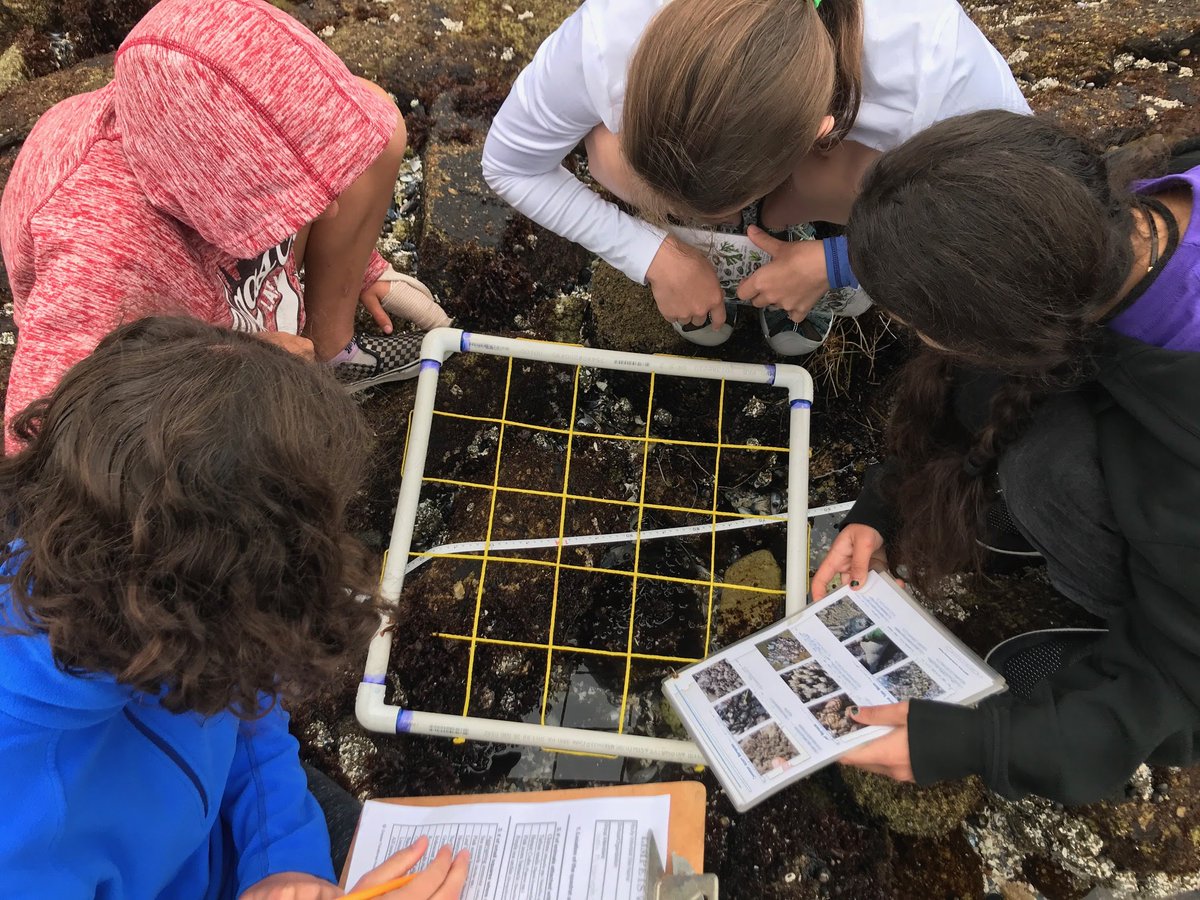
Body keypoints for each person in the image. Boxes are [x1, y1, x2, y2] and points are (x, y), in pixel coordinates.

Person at [0, 317, 469, 898]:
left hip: (243, 820)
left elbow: (246, 706)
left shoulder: (150, 597)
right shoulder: (21, 840)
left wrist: (284, 858)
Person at [811, 111, 1200, 804]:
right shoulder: (1091, 221)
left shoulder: (1180, 444)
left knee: (1048, 471)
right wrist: (883, 507)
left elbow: (1184, 679)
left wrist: (977, 742)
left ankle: (1108, 616)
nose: (908, 330)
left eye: (916, 321)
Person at [0, 0, 450, 453]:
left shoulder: (189, 120)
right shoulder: (101, 254)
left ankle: (330, 353)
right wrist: (235, 365)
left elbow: (321, 151)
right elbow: (47, 441)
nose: (330, 211)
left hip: (218, 250)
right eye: (282, 193)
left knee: (375, 119)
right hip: (166, 343)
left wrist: (358, 263)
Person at [483, 0, 1028, 354]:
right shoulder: (608, 35)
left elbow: (1009, 220)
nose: (712, 217)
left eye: (729, 203)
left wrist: (841, 261)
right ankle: (717, 242)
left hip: (832, 168)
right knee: (606, 156)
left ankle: (806, 234)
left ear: (819, 131)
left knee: (859, 181)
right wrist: (652, 254)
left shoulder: (933, 67)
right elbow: (509, 163)